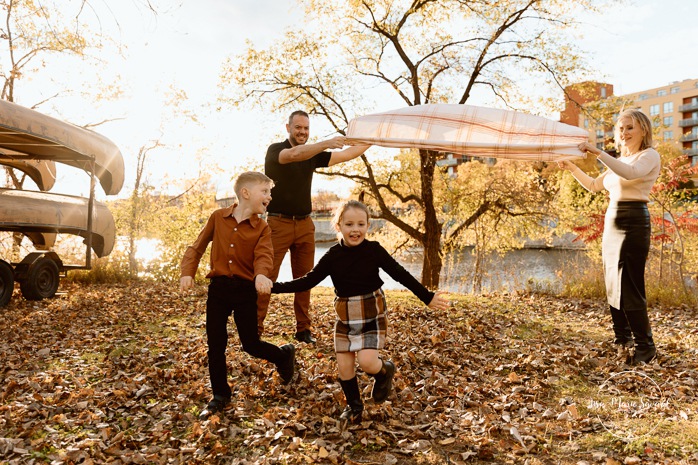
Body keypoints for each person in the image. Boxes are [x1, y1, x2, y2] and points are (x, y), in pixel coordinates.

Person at [259, 200, 449, 423]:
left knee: (367, 362)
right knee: (344, 366)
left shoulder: (374, 250)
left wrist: (427, 297)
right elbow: (307, 281)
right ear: (338, 226)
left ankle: (384, 371)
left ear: (368, 225)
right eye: (349, 224)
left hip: (372, 311)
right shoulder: (332, 256)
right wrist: (274, 287)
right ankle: (354, 406)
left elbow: (400, 274)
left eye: (361, 224)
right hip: (346, 315)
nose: (355, 229)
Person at [179, 171, 296, 419]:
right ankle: (220, 395)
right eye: (265, 192)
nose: (269, 197)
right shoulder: (217, 218)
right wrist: (187, 272)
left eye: (270, 193)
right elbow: (197, 246)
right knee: (216, 345)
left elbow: (264, 255)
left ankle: (283, 356)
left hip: (245, 291)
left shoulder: (262, 227)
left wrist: (262, 275)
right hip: (219, 290)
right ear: (245, 193)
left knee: (251, 344)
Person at [258, 110, 371, 344]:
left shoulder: (313, 155)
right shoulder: (276, 150)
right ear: (288, 128)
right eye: (298, 127)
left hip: (305, 225)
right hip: (278, 224)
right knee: (267, 276)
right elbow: (295, 154)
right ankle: (254, 329)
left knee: (306, 279)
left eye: (306, 128)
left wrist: (373, 139)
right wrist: (327, 143)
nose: (303, 132)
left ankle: (303, 330)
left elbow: (348, 154)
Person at [558, 109, 660, 365]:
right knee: (612, 282)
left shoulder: (648, 156)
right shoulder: (619, 162)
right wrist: (571, 167)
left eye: (629, 128)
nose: (624, 133)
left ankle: (646, 347)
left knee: (630, 284)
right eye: (621, 129)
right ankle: (622, 340)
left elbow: (631, 174)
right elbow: (594, 185)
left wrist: (596, 152)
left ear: (643, 130)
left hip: (634, 221)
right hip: (612, 221)